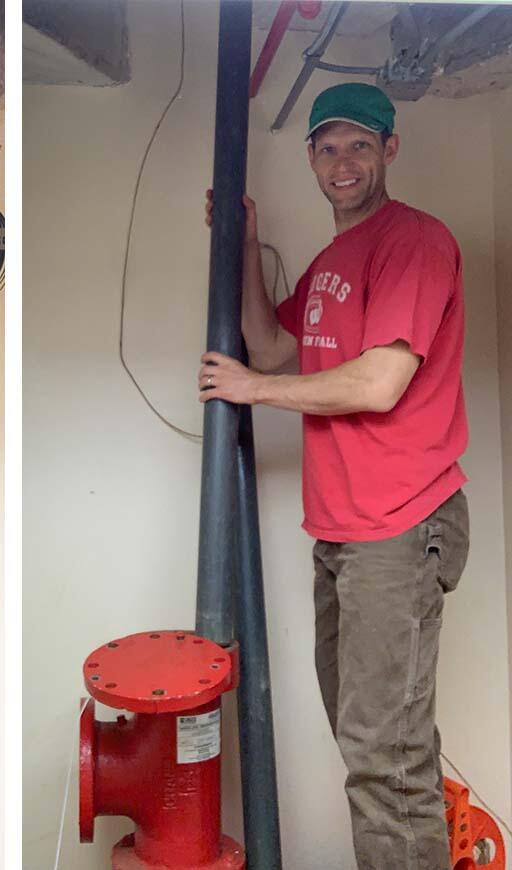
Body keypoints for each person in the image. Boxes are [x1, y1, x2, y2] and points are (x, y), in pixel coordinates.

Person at [202, 82, 470, 869]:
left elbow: (378, 382)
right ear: (312, 159)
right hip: (344, 532)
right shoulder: (331, 263)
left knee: (384, 762)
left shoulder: (412, 241)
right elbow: (272, 343)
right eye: (328, 147)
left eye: (360, 144)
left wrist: (251, 392)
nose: (343, 162)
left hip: (399, 524)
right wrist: (243, 245)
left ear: (390, 149)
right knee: (379, 745)